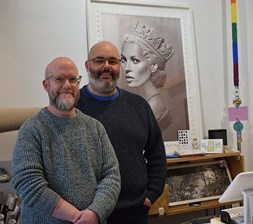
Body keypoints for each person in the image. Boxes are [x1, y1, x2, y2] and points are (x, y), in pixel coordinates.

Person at [12, 57, 121, 224]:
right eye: (59, 79)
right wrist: (77, 218)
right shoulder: (32, 129)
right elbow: (29, 184)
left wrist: (95, 212)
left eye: (72, 79)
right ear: (46, 85)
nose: (67, 85)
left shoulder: (95, 128)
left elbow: (111, 176)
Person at [76, 41, 167, 224]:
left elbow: (157, 154)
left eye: (113, 61)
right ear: (87, 65)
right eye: (99, 60)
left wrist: (151, 194)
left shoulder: (139, 106)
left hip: (135, 212)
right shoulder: (73, 107)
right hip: (87, 215)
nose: (106, 67)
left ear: (119, 65)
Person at [121, 21, 175, 131]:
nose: (126, 68)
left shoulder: (155, 109)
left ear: (153, 66)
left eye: (135, 60)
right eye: (123, 60)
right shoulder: (139, 102)